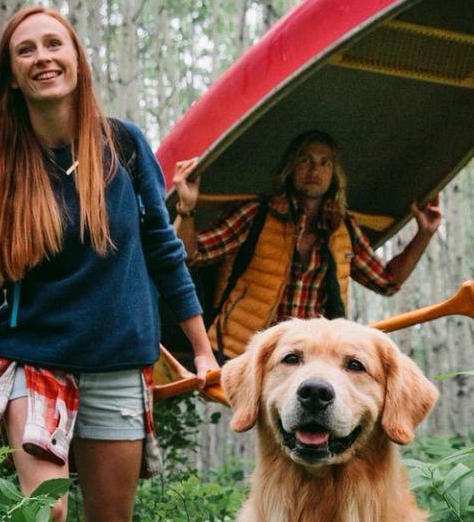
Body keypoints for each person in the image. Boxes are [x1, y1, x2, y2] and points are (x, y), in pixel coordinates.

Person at [0, 6, 219, 522]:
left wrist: (203, 352)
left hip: (119, 366)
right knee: (45, 517)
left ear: (76, 57)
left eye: (54, 44)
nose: (43, 57)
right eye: (25, 51)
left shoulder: (122, 145)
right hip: (33, 363)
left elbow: (163, 249)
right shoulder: (0, 164)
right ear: (11, 75)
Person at [169, 130, 443, 360]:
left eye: (325, 163)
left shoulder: (342, 228)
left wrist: (425, 233)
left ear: (334, 173)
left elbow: (387, 280)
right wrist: (186, 209)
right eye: (306, 160)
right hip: (249, 355)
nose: (315, 170)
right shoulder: (258, 214)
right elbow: (192, 254)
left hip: (310, 361)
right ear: (291, 168)